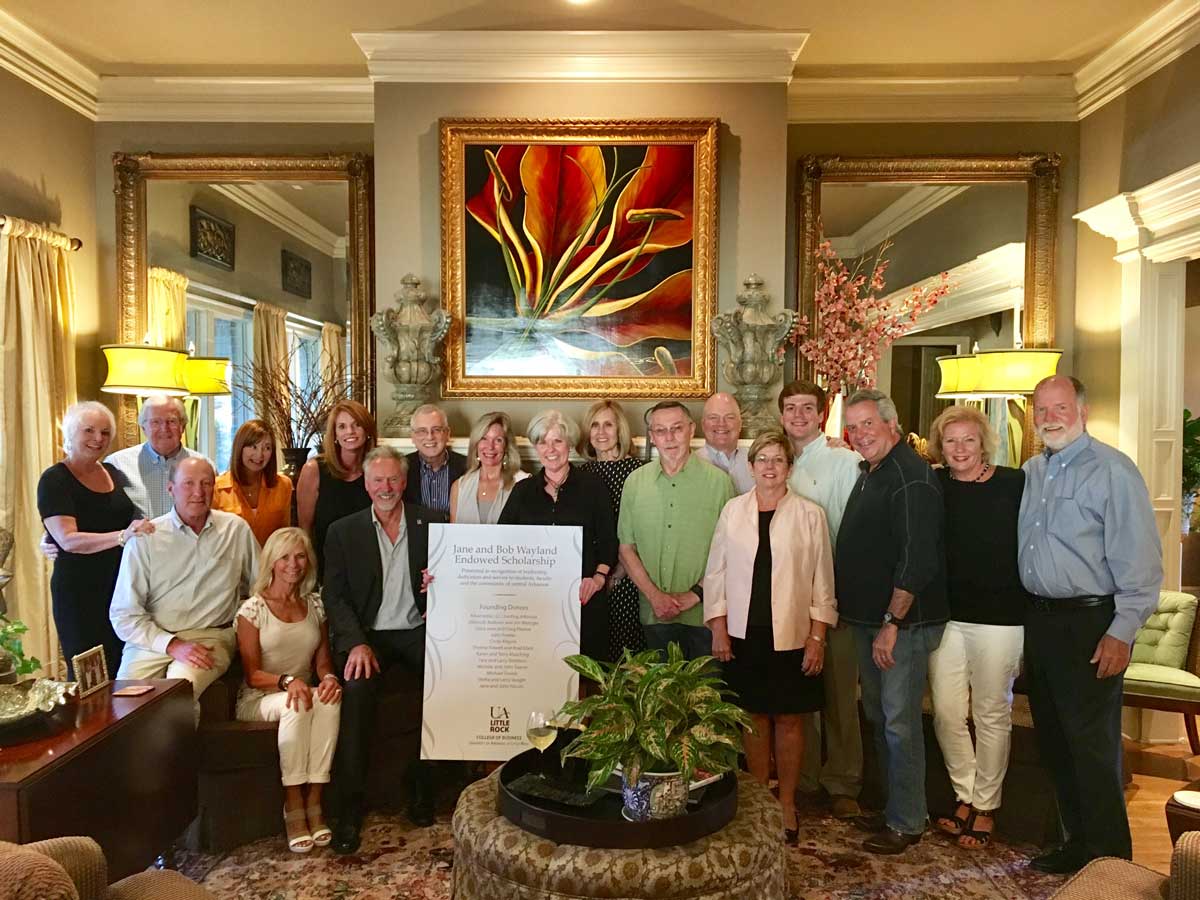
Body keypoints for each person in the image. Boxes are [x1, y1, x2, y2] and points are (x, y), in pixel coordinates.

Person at [1019, 375, 1161, 874]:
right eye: (1040, 409)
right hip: (1041, 623)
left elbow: (1142, 563)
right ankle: (1076, 845)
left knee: (1093, 747)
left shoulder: (1113, 471)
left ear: (1082, 410)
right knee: (1056, 741)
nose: (1049, 417)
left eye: (1059, 408)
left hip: (1091, 624)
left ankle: (1111, 863)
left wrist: (1121, 631)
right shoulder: (1035, 469)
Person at [704, 430, 836, 843]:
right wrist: (719, 627)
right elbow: (716, 573)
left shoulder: (810, 514)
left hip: (793, 633)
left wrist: (818, 637)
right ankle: (760, 799)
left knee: (789, 717)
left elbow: (822, 580)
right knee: (754, 716)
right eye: (762, 459)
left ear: (789, 467)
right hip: (744, 632)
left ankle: (787, 804)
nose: (770, 467)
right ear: (751, 465)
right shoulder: (732, 511)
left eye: (778, 459)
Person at [836, 388, 947, 855]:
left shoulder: (912, 476)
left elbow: (917, 559)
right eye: (854, 426)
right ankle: (893, 811)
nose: (861, 434)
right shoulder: (873, 471)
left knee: (899, 723)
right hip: (869, 622)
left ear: (891, 424)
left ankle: (907, 821)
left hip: (900, 626)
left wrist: (890, 622)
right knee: (879, 718)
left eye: (868, 424)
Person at [322, 446, 446, 853]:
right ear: (366, 484)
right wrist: (356, 642)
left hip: (416, 629)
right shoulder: (344, 531)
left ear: (404, 482)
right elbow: (335, 597)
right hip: (368, 635)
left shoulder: (433, 522)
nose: (386, 487)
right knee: (356, 696)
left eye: (393, 479)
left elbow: (454, 580)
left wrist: (438, 588)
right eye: (378, 480)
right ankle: (348, 810)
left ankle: (422, 790)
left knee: (445, 687)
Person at [924, 405, 1029, 849]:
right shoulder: (933, 484)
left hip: (1002, 618)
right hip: (947, 616)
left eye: (969, 440)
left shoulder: (1014, 483)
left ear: (984, 442)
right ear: (940, 447)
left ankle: (986, 805)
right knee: (947, 712)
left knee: (990, 712)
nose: (960, 449)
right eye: (951, 441)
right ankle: (966, 793)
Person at [109, 457, 259, 720]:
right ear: (171, 489)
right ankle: (143, 762)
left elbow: (260, 587)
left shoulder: (235, 530)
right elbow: (123, 614)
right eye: (188, 484)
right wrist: (171, 644)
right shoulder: (147, 538)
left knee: (178, 693)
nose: (198, 492)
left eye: (206, 484)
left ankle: (175, 761)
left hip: (210, 636)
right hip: (151, 640)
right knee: (123, 707)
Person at [780, 380, 866, 820]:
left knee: (838, 692)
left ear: (821, 413)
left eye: (806, 408)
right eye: (790, 408)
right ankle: (806, 776)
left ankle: (844, 782)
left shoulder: (844, 461)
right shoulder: (778, 462)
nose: (798, 415)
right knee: (801, 693)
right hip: (790, 600)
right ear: (781, 416)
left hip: (836, 595)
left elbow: (856, 533)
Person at [235, 527, 341, 853]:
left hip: (302, 690)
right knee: (298, 702)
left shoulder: (315, 605)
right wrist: (287, 682)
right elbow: (252, 675)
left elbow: (322, 662)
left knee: (330, 701)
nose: (293, 564)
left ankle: (315, 800)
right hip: (261, 698)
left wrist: (329, 680)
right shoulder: (253, 610)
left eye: (300, 556)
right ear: (272, 562)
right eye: (285, 557)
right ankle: (293, 806)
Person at [37, 401, 153, 678]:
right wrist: (122, 536)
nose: (97, 439)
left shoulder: (112, 472)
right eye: (88, 430)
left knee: (120, 667)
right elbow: (68, 540)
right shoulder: (55, 480)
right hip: (79, 592)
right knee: (88, 672)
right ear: (71, 434)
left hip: (120, 587)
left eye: (104, 432)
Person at [618, 401, 736, 660]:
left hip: (705, 617)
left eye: (677, 429)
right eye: (661, 431)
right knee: (659, 698)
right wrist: (655, 597)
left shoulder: (719, 483)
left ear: (691, 430)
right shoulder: (635, 483)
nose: (669, 438)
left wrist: (695, 595)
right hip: (653, 616)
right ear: (652, 437)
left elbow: (730, 552)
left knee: (706, 697)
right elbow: (626, 549)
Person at [499, 410, 616, 661]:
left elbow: (609, 540)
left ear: (569, 444)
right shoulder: (522, 491)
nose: (550, 449)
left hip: (583, 598)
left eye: (557, 441)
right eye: (543, 441)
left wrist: (598, 578)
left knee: (586, 675)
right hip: (534, 602)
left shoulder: (593, 487)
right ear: (535, 446)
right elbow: (503, 542)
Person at [579, 400, 647, 659]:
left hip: (626, 576)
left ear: (620, 430)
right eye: (594, 425)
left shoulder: (637, 472)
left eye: (608, 424)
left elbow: (640, 527)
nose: (601, 432)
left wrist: (618, 572)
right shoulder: (582, 472)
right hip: (590, 578)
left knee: (626, 653)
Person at [296, 399, 375, 581]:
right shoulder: (314, 470)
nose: (350, 432)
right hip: (327, 569)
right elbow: (305, 530)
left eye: (357, 425)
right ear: (334, 434)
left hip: (370, 569)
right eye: (342, 426)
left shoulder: (376, 469)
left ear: (368, 431)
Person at [104, 395, 212, 518]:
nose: (164, 429)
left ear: (183, 427)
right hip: (140, 536)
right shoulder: (117, 464)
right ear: (144, 428)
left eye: (171, 421)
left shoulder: (204, 466)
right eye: (155, 422)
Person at [214, 419, 293, 546]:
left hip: (270, 562)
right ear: (240, 447)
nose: (259, 454)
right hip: (231, 563)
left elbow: (284, 535)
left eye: (266, 448)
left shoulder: (283, 485)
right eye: (253, 447)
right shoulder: (216, 488)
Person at [449, 411, 528, 524]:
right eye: (484, 438)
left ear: (506, 446)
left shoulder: (523, 483)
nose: (490, 446)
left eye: (498, 440)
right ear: (476, 444)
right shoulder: (460, 487)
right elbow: (452, 537)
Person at [403, 404, 467, 514]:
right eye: (422, 431)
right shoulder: (401, 468)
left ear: (447, 434)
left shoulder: (468, 467)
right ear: (412, 437)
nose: (429, 437)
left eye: (436, 430)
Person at [694, 393, 754, 494]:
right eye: (713, 417)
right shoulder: (691, 463)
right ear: (703, 425)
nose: (721, 423)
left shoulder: (756, 462)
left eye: (729, 417)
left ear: (740, 424)